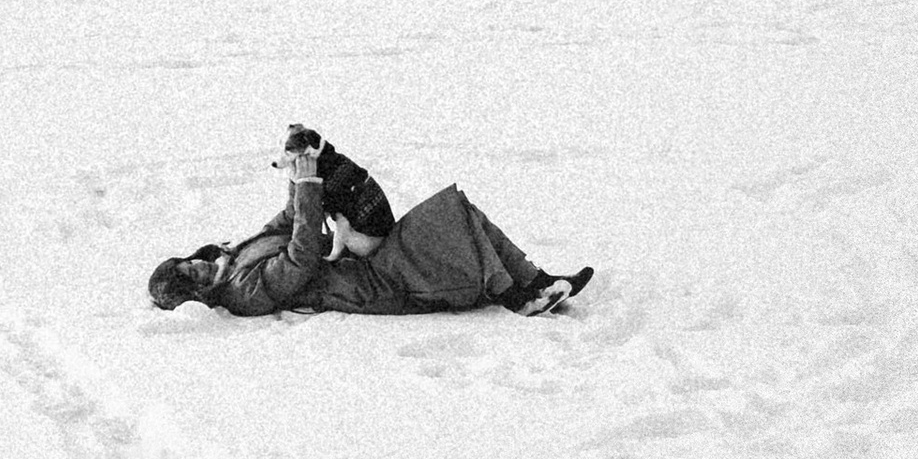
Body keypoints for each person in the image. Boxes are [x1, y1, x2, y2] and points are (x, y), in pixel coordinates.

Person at [150, 125, 591, 320]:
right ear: (197, 295)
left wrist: (302, 168)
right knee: (451, 221)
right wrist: (308, 187)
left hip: (369, 260)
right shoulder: (242, 293)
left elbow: (289, 220)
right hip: (373, 281)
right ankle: (516, 296)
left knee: (458, 208)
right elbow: (301, 258)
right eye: (193, 276)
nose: (200, 266)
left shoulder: (236, 254)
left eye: (191, 263)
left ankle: (537, 279)